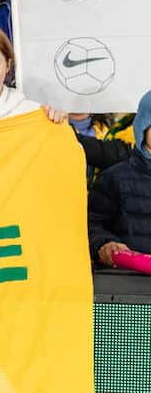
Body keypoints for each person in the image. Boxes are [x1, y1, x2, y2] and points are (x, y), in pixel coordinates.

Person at [88, 91, 151, 265]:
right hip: (127, 284)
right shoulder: (114, 178)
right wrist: (106, 244)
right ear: (142, 129)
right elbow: (91, 225)